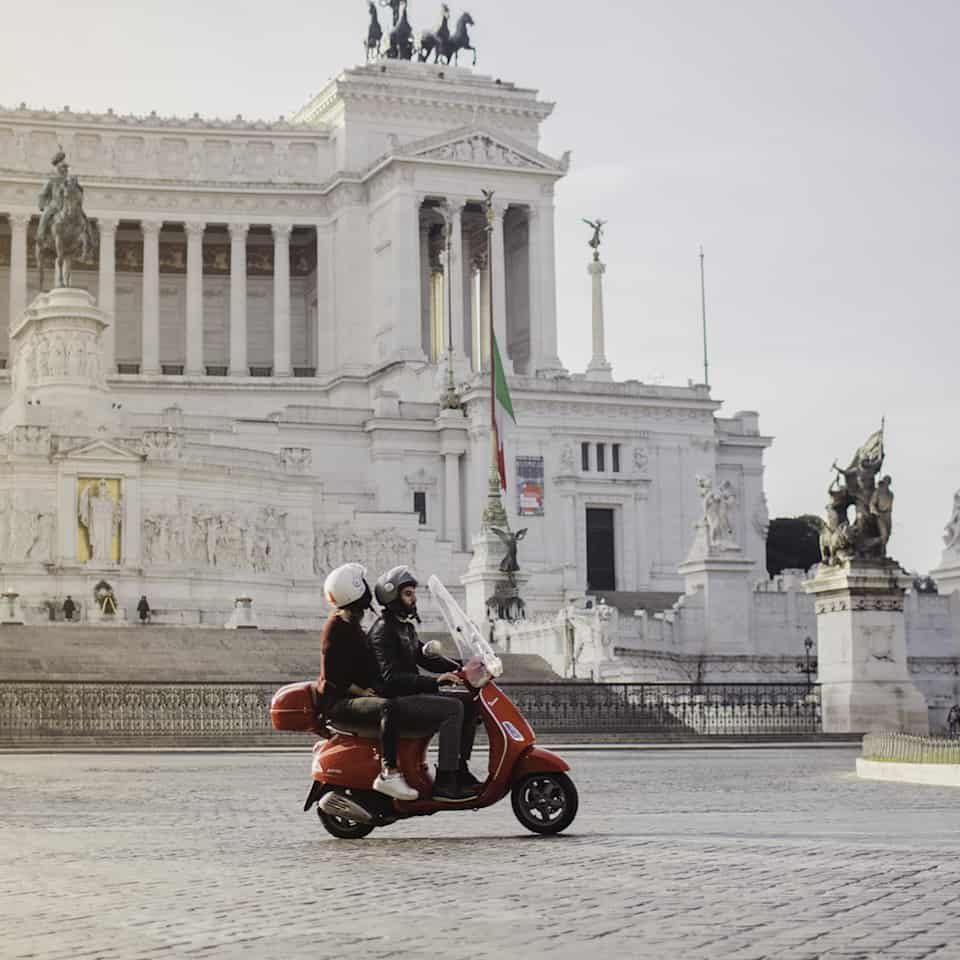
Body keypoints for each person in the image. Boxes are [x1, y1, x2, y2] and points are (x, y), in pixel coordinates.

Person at [369, 565, 481, 801]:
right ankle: (446, 779)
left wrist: (462, 665)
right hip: (397, 701)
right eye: (408, 594)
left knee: (470, 701)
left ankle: (460, 768)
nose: (413, 599)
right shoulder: (383, 630)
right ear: (393, 596)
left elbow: (425, 658)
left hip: (410, 694)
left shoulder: (405, 628)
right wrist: (434, 683)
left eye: (413, 593)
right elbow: (390, 679)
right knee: (453, 708)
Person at [316, 562, 418, 801]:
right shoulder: (336, 627)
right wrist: (362, 692)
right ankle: (389, 773)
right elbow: (334, 677)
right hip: (338, 701)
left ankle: (412, 766)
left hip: (353, 694)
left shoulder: (352, 625)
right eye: (361, 584)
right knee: (386, 707)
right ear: (353, 591)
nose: (367, 590)